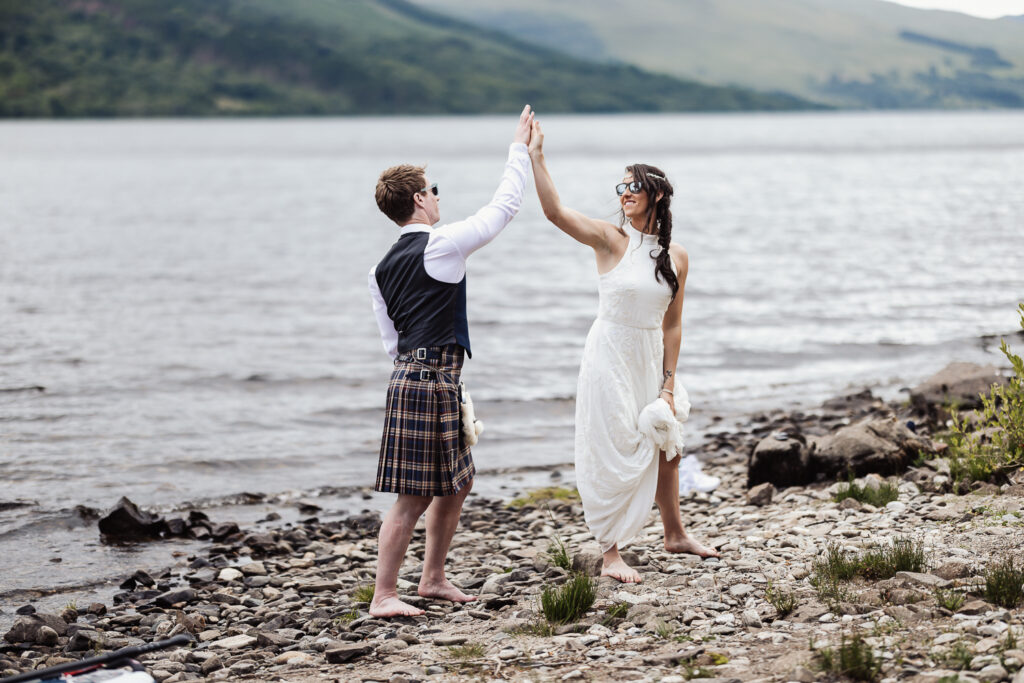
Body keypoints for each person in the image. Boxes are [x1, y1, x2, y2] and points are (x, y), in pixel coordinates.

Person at [528, 119, 719, 583]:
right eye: (622, 187)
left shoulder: (678, 257)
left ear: (656, 194)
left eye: (634, 186)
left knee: (666, 438)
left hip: (649, 355)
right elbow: (555, 212)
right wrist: (536, 158)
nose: (625, 193)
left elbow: (673, 325)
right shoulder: (610, 239)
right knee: (610, 445)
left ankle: (674, 533)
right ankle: (610, 552)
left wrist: (669, 383)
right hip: (609, 354)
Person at [366, 105, 534, 617]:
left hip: (415, 376)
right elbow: (503, 208)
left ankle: (432, 579)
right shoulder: (439, 246)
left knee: (459, 481)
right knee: (412, 498)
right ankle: (384, 596)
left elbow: (390, 341)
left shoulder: (378, 269)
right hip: (429, 380)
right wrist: (519, 150)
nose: (439, 197)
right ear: (419, 199)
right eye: (434, 189)